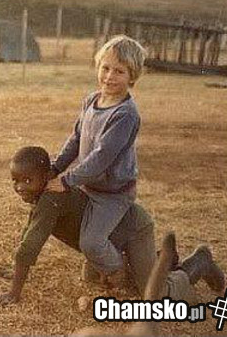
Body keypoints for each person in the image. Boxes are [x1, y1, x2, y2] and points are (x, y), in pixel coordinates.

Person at [0, 146, 225, 306]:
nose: (20, 187)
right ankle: (161, 259)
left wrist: (14, 293)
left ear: (47, 175)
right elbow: (30, 232)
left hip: (133, 230)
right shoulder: (44, 196)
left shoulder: (51, 198)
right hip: (109, 237)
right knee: (92, 277)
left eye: (27, 180)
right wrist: (16, 270)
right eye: (15, 180)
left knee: (154, 295)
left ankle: (199, 262)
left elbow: (30, 246)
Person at [51, 35, 147, 284]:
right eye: (105, 68)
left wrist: (67, 180)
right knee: (77, 235)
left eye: (119, 71)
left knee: (91, 243)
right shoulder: (91, 101)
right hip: (89, 186)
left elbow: (101, 158)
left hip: (113, 193)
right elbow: (76, 138)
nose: (109, 76)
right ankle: (105, 258)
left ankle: (120, 271)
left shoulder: (125, 114)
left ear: (132, 76)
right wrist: (56, 167)